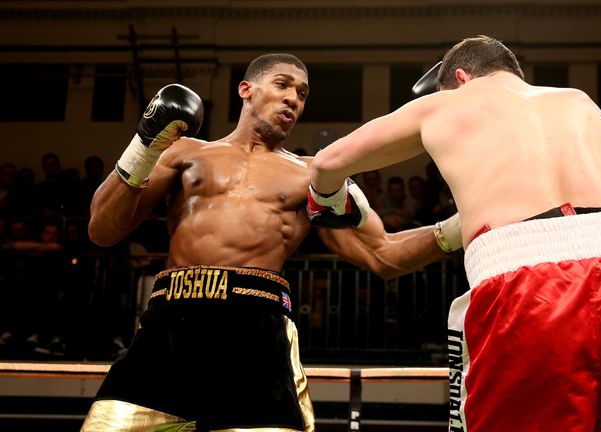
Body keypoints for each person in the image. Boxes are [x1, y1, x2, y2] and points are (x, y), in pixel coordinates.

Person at [308, 36, 601, 431]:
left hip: (528, 282)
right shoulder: (579, 101)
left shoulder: (443, 105)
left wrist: (326, 201)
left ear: (460, 78)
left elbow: (327, 164)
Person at [81, 53, 461, 432]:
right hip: (168, 327)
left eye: (302, 93)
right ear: (246, 89)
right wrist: (145, 143)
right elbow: (102, 230)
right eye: (282, 85)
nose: (293, 98)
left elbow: (383, 254)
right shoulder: (183, 152)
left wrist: (464, 224)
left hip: (254, 336)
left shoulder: (315, 175)